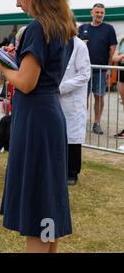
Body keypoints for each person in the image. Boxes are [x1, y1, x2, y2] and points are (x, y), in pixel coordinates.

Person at [0, 0, 77, 253]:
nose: (17, 3)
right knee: (47, 200)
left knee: (38, 206)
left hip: (36, 118)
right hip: (49, 115)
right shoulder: (63, 24)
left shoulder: (38, 28)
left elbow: (26, 82)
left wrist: (1, 66)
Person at [78, 3, 117, 135]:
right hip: (83, 70)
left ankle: (97, 123)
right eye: (97, 12)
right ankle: (82, 122)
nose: (99, 15)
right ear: (91, 13)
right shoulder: (83, 28)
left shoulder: (109, 28)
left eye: (102, 13)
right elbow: (75, 47)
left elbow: (112, 49)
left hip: (100, 70)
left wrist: (109, 68)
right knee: (83, 97)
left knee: (99, 97)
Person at [59, 36, 91, 186]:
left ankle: (72, 172)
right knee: (58, 136)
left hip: (72, 99)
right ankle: (58, 169)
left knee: (72, 138)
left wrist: (62, 87)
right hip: (56, 98)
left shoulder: (79, 46)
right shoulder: (56, 43)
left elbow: (84, 74)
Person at [112, 37, 124, 138]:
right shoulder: (122, 41)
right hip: (122, 75)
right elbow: (114, 58)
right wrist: (122, 56)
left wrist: (120, 56)